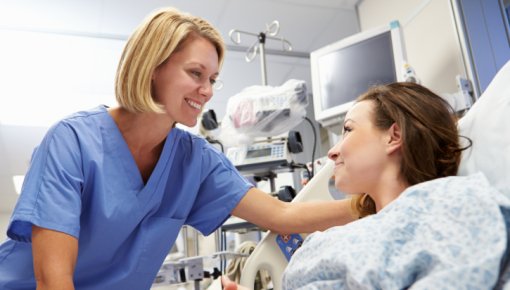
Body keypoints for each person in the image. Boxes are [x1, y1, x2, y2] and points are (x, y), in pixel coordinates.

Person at [0, 7, 354, 290]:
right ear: (153, 67)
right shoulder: (72, 142)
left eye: (213, 79)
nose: (207, 90)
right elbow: (53, 281)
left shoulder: (195, 161)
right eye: (196, 73)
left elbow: (282, 216)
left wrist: (376, 202)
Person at [221, 81, 475, 290]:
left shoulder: (454, 207)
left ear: (394, 136)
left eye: (348, 129)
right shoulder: (341, 238)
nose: (332, 152)